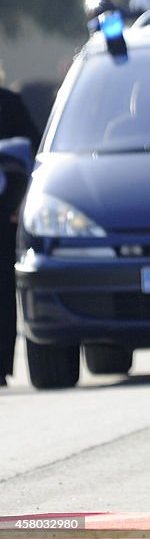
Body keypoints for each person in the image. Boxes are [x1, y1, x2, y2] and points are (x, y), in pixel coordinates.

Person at [0, 80, 40, 388]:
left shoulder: (9, 103)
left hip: (5, 211)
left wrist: (22, 199)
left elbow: (32, 152)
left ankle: (1, 366)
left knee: (3, 290)